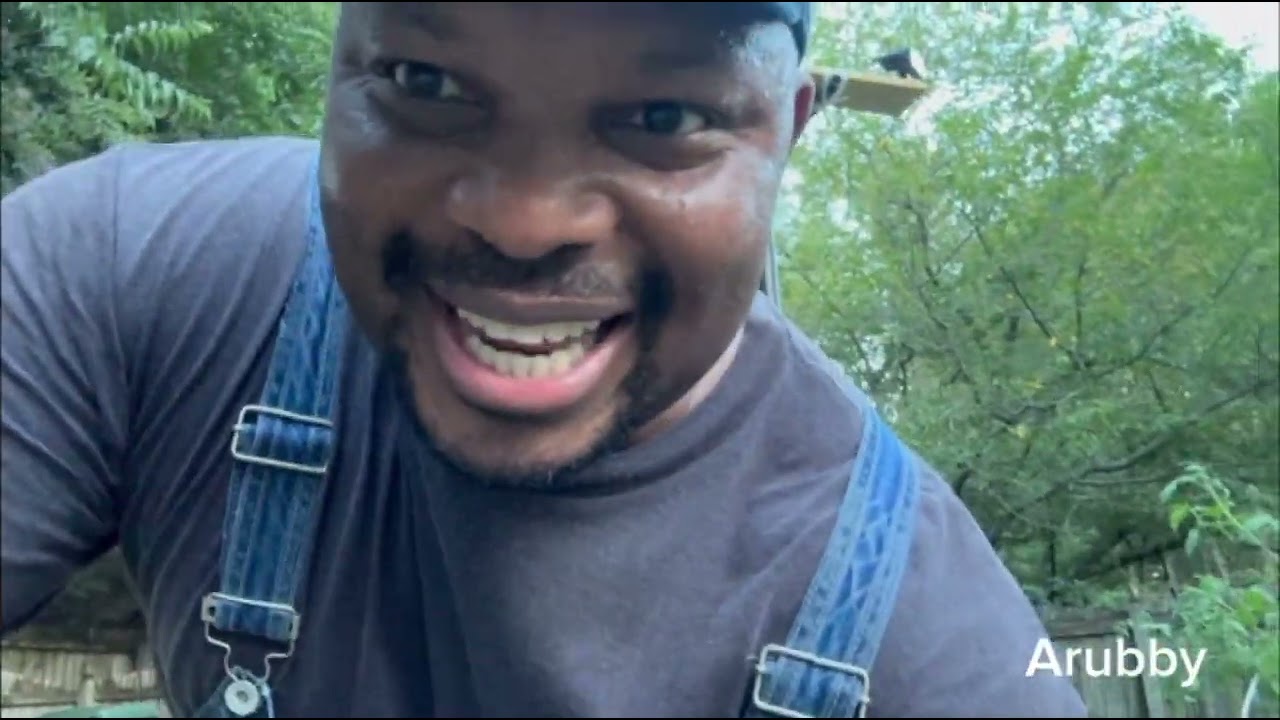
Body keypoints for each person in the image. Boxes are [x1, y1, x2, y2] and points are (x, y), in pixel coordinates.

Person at [1, 3, 1089, 717]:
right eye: (426, 85)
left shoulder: (934, 653)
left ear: (785, 138)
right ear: (336, 73)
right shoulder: (131, 268)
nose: (525, 222)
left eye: (663, 116)